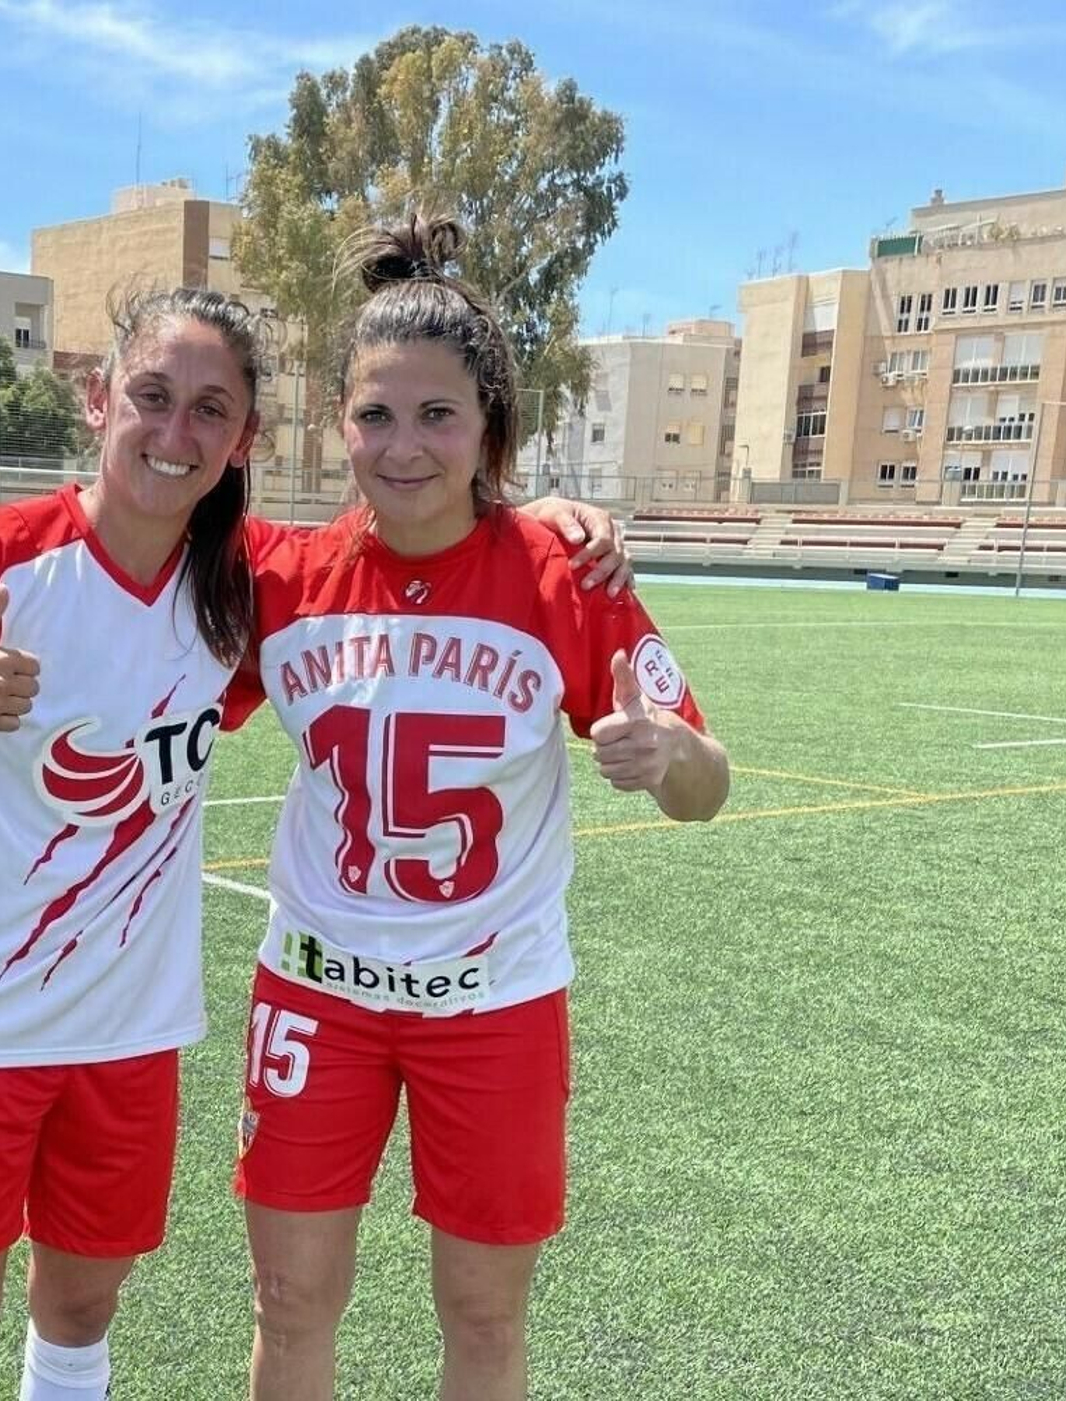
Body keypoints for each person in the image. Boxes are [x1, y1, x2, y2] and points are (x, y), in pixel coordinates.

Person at [0, 281, 628, 1401]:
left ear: (244, 441)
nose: (174, 432)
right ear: (99, 401)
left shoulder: (233, 589)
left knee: (82, 1308)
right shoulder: (17, 555)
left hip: (132, 1022)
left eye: (209, 410)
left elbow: (331, 633)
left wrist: (550, 512)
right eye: (152, 396)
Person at [231, 216, 730, 1401]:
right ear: (338, 423)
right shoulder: (277, 580)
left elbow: (709, 790)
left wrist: (665, 757)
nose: (402, 447)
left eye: (437, 415)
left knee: (483, 1320)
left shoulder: (566, 576)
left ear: (489, 429)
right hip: (317, 993)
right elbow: (133, 673)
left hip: (495, 1004)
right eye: (374, 415)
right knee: (290, 1302)